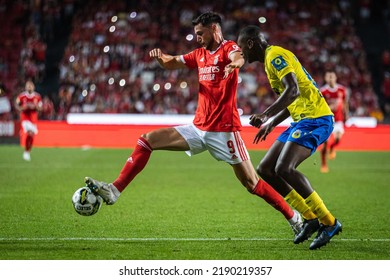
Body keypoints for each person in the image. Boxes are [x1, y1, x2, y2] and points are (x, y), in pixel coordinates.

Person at [85, 12, 303, 235]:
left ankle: (294, 218)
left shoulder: (229, 48)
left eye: (200, 33)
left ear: (214, 29)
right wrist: (162, 58)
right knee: (146, 140)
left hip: (224, 131)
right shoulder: (199, 54)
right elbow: (173, 62)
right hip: (198, 129)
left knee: (252, 183)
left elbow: (239, 57)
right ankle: (114, 190)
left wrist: (234, 65)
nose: (197, 37)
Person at [237, 25, 342, 250]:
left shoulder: (275, 55)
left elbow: (292, 90)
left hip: (316, 118)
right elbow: (292, 98)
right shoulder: (269, 61)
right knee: (265, 169)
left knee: (284, 168)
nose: (241, 52)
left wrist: (266, 114)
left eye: (241, 47)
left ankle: (329, 221)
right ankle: (309, 217)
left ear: (251, 44)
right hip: (301, 120)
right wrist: (272, 123)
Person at [319, 70, 349, 173]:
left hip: (339, 119)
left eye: (332, 76)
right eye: (329, 77)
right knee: (325, 143)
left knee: (337, 139)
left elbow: (345, 103)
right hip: (327, 120)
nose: (331, 79)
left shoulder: (341, 89)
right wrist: (330, 107)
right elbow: (319, 106)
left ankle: (332, 148)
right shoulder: (322, 91)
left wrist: (346, 114)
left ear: (336, 78)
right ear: (326, 78)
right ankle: (323, 164)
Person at [15, 80, 43, 161]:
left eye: (31, 86)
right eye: (28, 86)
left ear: (33, 87)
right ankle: (26, 152)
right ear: (25, 87)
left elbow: (40, 108)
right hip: (25, 117)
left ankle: (27, 151)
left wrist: (35, 106)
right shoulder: (21, 96)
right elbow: (16, 105)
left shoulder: (37, 96)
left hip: (33, 118)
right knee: (30, 133)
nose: (29, 87)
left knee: (32, 136)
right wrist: (22, 108)